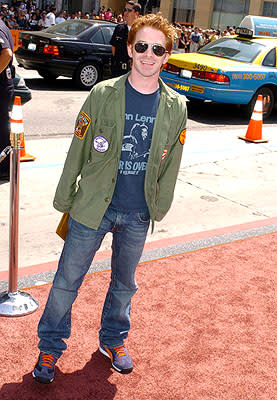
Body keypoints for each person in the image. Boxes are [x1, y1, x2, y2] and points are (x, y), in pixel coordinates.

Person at [32, 12, 187, 384]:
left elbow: (172, 164)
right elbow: (79, 150)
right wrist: (65, 198)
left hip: (136, 213)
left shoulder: (176, 106)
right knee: (67, 280)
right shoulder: (102, 93)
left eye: (158, 49)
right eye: (142, 46)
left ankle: (113, 340)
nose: (149, 54)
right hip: (91, 207)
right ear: (131, 49)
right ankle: (50, 347)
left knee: (124, 283)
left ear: (167, 56)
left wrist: (158, 207)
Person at [110, 1, 141, 77]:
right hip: (118, 70)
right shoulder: (119, 28)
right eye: (125, 10)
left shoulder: (141, 30)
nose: (125, 13)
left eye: (129, 10)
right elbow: (113, 47)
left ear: (136, 14)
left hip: (134, 71)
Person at [0, 18, 14, 181]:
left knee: (2, 130)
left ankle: (3, 169)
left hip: (1, 86)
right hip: (4, 84)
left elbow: (7, 53)